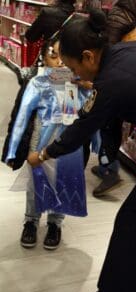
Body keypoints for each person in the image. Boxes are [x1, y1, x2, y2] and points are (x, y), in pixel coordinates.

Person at [27, 10, 136, 292]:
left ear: (88, 57)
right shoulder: (132, 50)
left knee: (135, 223)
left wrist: (43, 154)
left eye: (72, 68)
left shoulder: (111, 81)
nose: (73, 75)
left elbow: (80, 129)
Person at [5, 37, 87, 250]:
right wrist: (12, 150)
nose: (60, 62)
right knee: (35, 183)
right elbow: (22, 115)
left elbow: (81, 117)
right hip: (39, 143)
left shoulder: (75, 82)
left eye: (64, 56)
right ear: (43, 58)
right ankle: (31, 220)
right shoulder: (37, 83)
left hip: (66, 144)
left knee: (63, 182)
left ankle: (55, 223)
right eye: (54, 56)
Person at [76, 0, 136, 197]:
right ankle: (107, 166)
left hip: (117, 75)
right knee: (114, 122)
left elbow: (109, 50)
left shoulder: (119, 13)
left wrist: (95, 79)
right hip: (135, 72)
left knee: (106, 124)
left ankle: (110, 170)